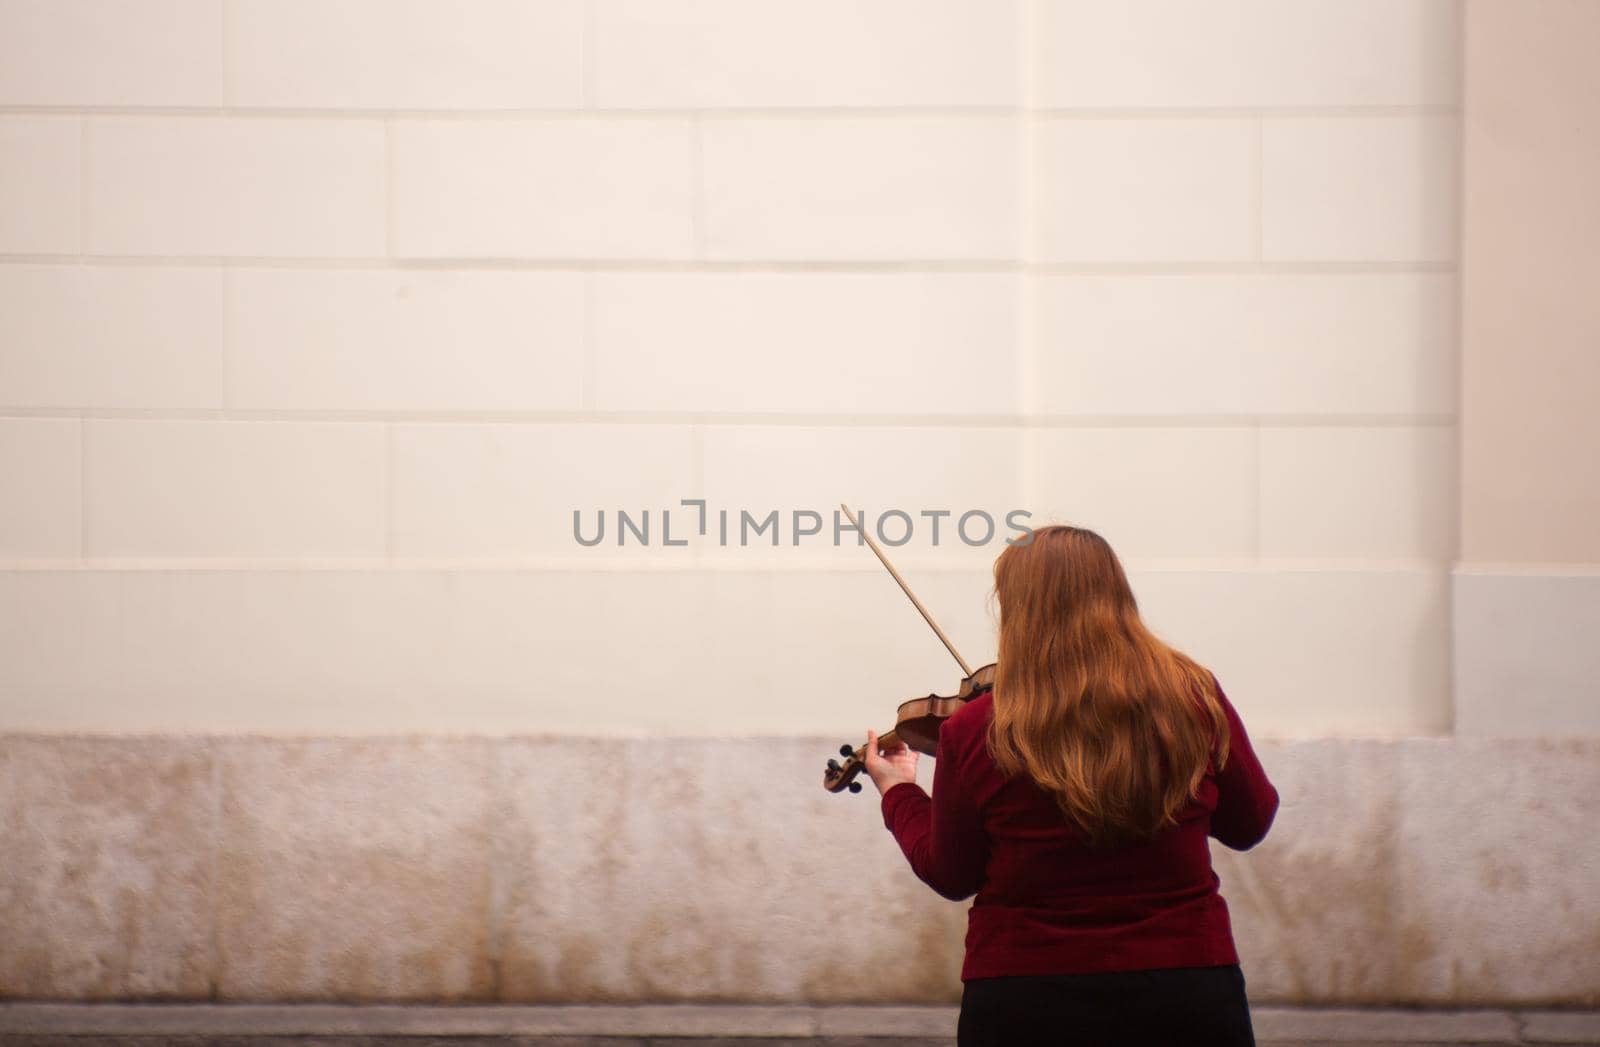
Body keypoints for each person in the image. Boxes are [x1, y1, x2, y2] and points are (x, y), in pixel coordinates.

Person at [862, 525, 1279, 1047]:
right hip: (1186, 986)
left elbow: (952, 873)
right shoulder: (1192, 697)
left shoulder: (974, 729)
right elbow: (1250, 823)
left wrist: (899, 791)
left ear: (1017, 610)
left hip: (1025, 997)